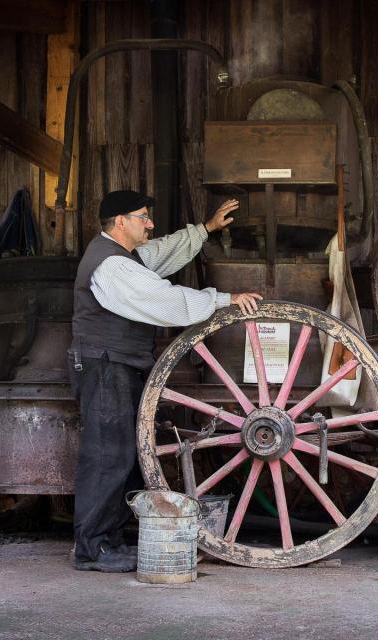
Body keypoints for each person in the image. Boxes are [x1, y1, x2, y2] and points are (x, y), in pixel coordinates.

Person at [69, 189, 261, 572]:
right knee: (109, 455)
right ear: (120, 222)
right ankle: (92, 547)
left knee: (126, 454)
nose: (150, 223)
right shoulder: (111, 266)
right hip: (106, 365)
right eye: (143, 217)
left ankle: (112, 539)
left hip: (120, 363)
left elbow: (162, 252)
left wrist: (205, 229)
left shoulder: (126, 256)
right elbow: (164, 301)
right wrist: (224, 299)